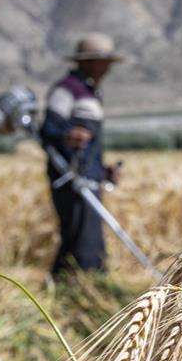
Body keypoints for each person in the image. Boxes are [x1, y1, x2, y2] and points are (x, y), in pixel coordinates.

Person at [40, 33, 122, 276]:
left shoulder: (91, 91)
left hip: (89, 177)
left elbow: (90, 147)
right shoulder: (66, 90)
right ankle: (76, 289)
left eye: (109, 62)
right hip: (70, 180)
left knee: (88, 240)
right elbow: (48, 130)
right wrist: (67, 135)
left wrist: (102, 170)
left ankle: (75, 288)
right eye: (102, 61)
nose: (107, 67)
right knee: (79, 241)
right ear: (86, 61)